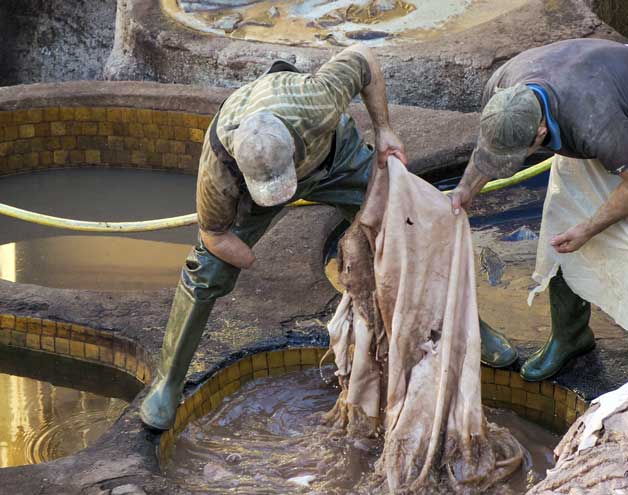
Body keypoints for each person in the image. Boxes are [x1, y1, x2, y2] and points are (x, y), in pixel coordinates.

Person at [139, 45, 516, 430]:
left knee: (407, 228)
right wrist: (246, 259)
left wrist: (384, 127)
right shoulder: (218, 167)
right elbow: (215, 234)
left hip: (335, 159)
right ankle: (168, 383)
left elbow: (363, 59)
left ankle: (470, 331)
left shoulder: (313, 101)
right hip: (252, 195)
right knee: (206, 270)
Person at [449, 38, 628, 382]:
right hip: (605, 99)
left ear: (540, 132)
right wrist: (463, 193)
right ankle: (570, 338)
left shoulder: (592, 122)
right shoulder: (503, 94)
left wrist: (589, 228)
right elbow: (492, 145)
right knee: (560, 225)